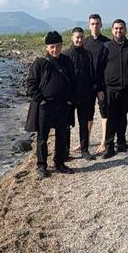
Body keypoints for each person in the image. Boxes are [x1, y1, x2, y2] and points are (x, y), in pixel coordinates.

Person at [23, 31, 76, 178]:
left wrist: (70, 99)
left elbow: (73, 81)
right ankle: (41, 165)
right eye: (52, 46)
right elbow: (31, 83)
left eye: (58, 46)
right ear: (47, 47)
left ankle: (59, 163)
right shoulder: (40, 63)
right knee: (42, 137)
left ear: (61, 46)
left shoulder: (67, 61)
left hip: (63, 105)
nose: (55, 49)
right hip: (44, 106)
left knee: (61, 136)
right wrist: (41, 99)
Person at [100, 18, 128, 158]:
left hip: (127, 88)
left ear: (125, 30)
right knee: (111, 118)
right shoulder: (106, 47)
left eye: (121, 28)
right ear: (112, 30)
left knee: (122, 117)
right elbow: (100, 68)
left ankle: (121, 143)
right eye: (116, 28)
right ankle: (109, 146)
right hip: (110, 88)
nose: (119, 30)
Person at [64, 27, 103, 160]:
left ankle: (85, 150)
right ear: (72, 38)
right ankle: (65, 152)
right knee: (66, 125)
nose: (79, 39)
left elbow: (93, 74)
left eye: (81, 37)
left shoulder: (88, 54)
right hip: (69, 97)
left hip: (85, 96)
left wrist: (93, 90)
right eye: (77, 37)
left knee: (84, 124)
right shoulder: (65, 55)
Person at [83, 13, 112, 155]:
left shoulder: (107, 43)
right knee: (88, 114)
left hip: (102, 85)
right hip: (87, 86)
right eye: (92, 24)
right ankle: (85, 142)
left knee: (104, 113)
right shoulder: (85, 42)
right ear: (89, 25)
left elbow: (109, 66)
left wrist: (101, 87)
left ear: (101, 25)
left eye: (97, 24)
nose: (95, 26)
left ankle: (104, 142)